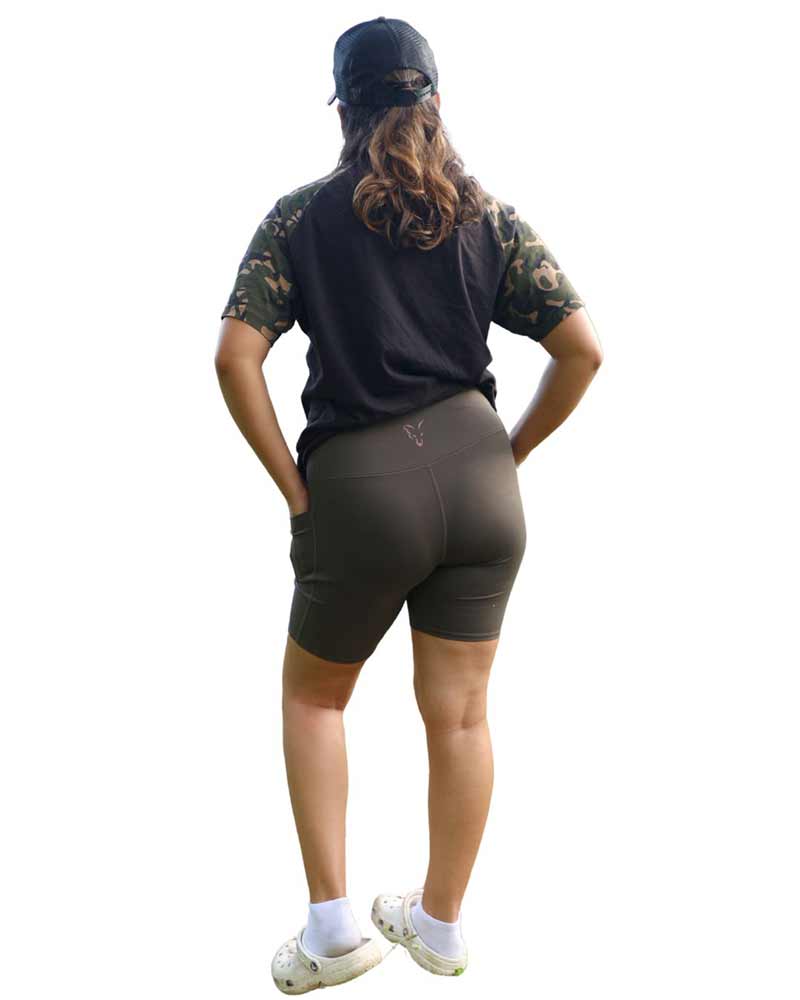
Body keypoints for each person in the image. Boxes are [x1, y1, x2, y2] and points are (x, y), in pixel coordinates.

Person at [215, 16, 603, 994]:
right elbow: (581, 349)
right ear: (435, 100)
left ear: (341, 108)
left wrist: (293, 487)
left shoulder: (298, 220)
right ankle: (438, 924)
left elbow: (234, 356)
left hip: (361, 486)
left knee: (314, 697)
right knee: (462, 716)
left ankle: (333, 934)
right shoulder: (488, 216)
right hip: (480, 480)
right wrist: (509, 452)